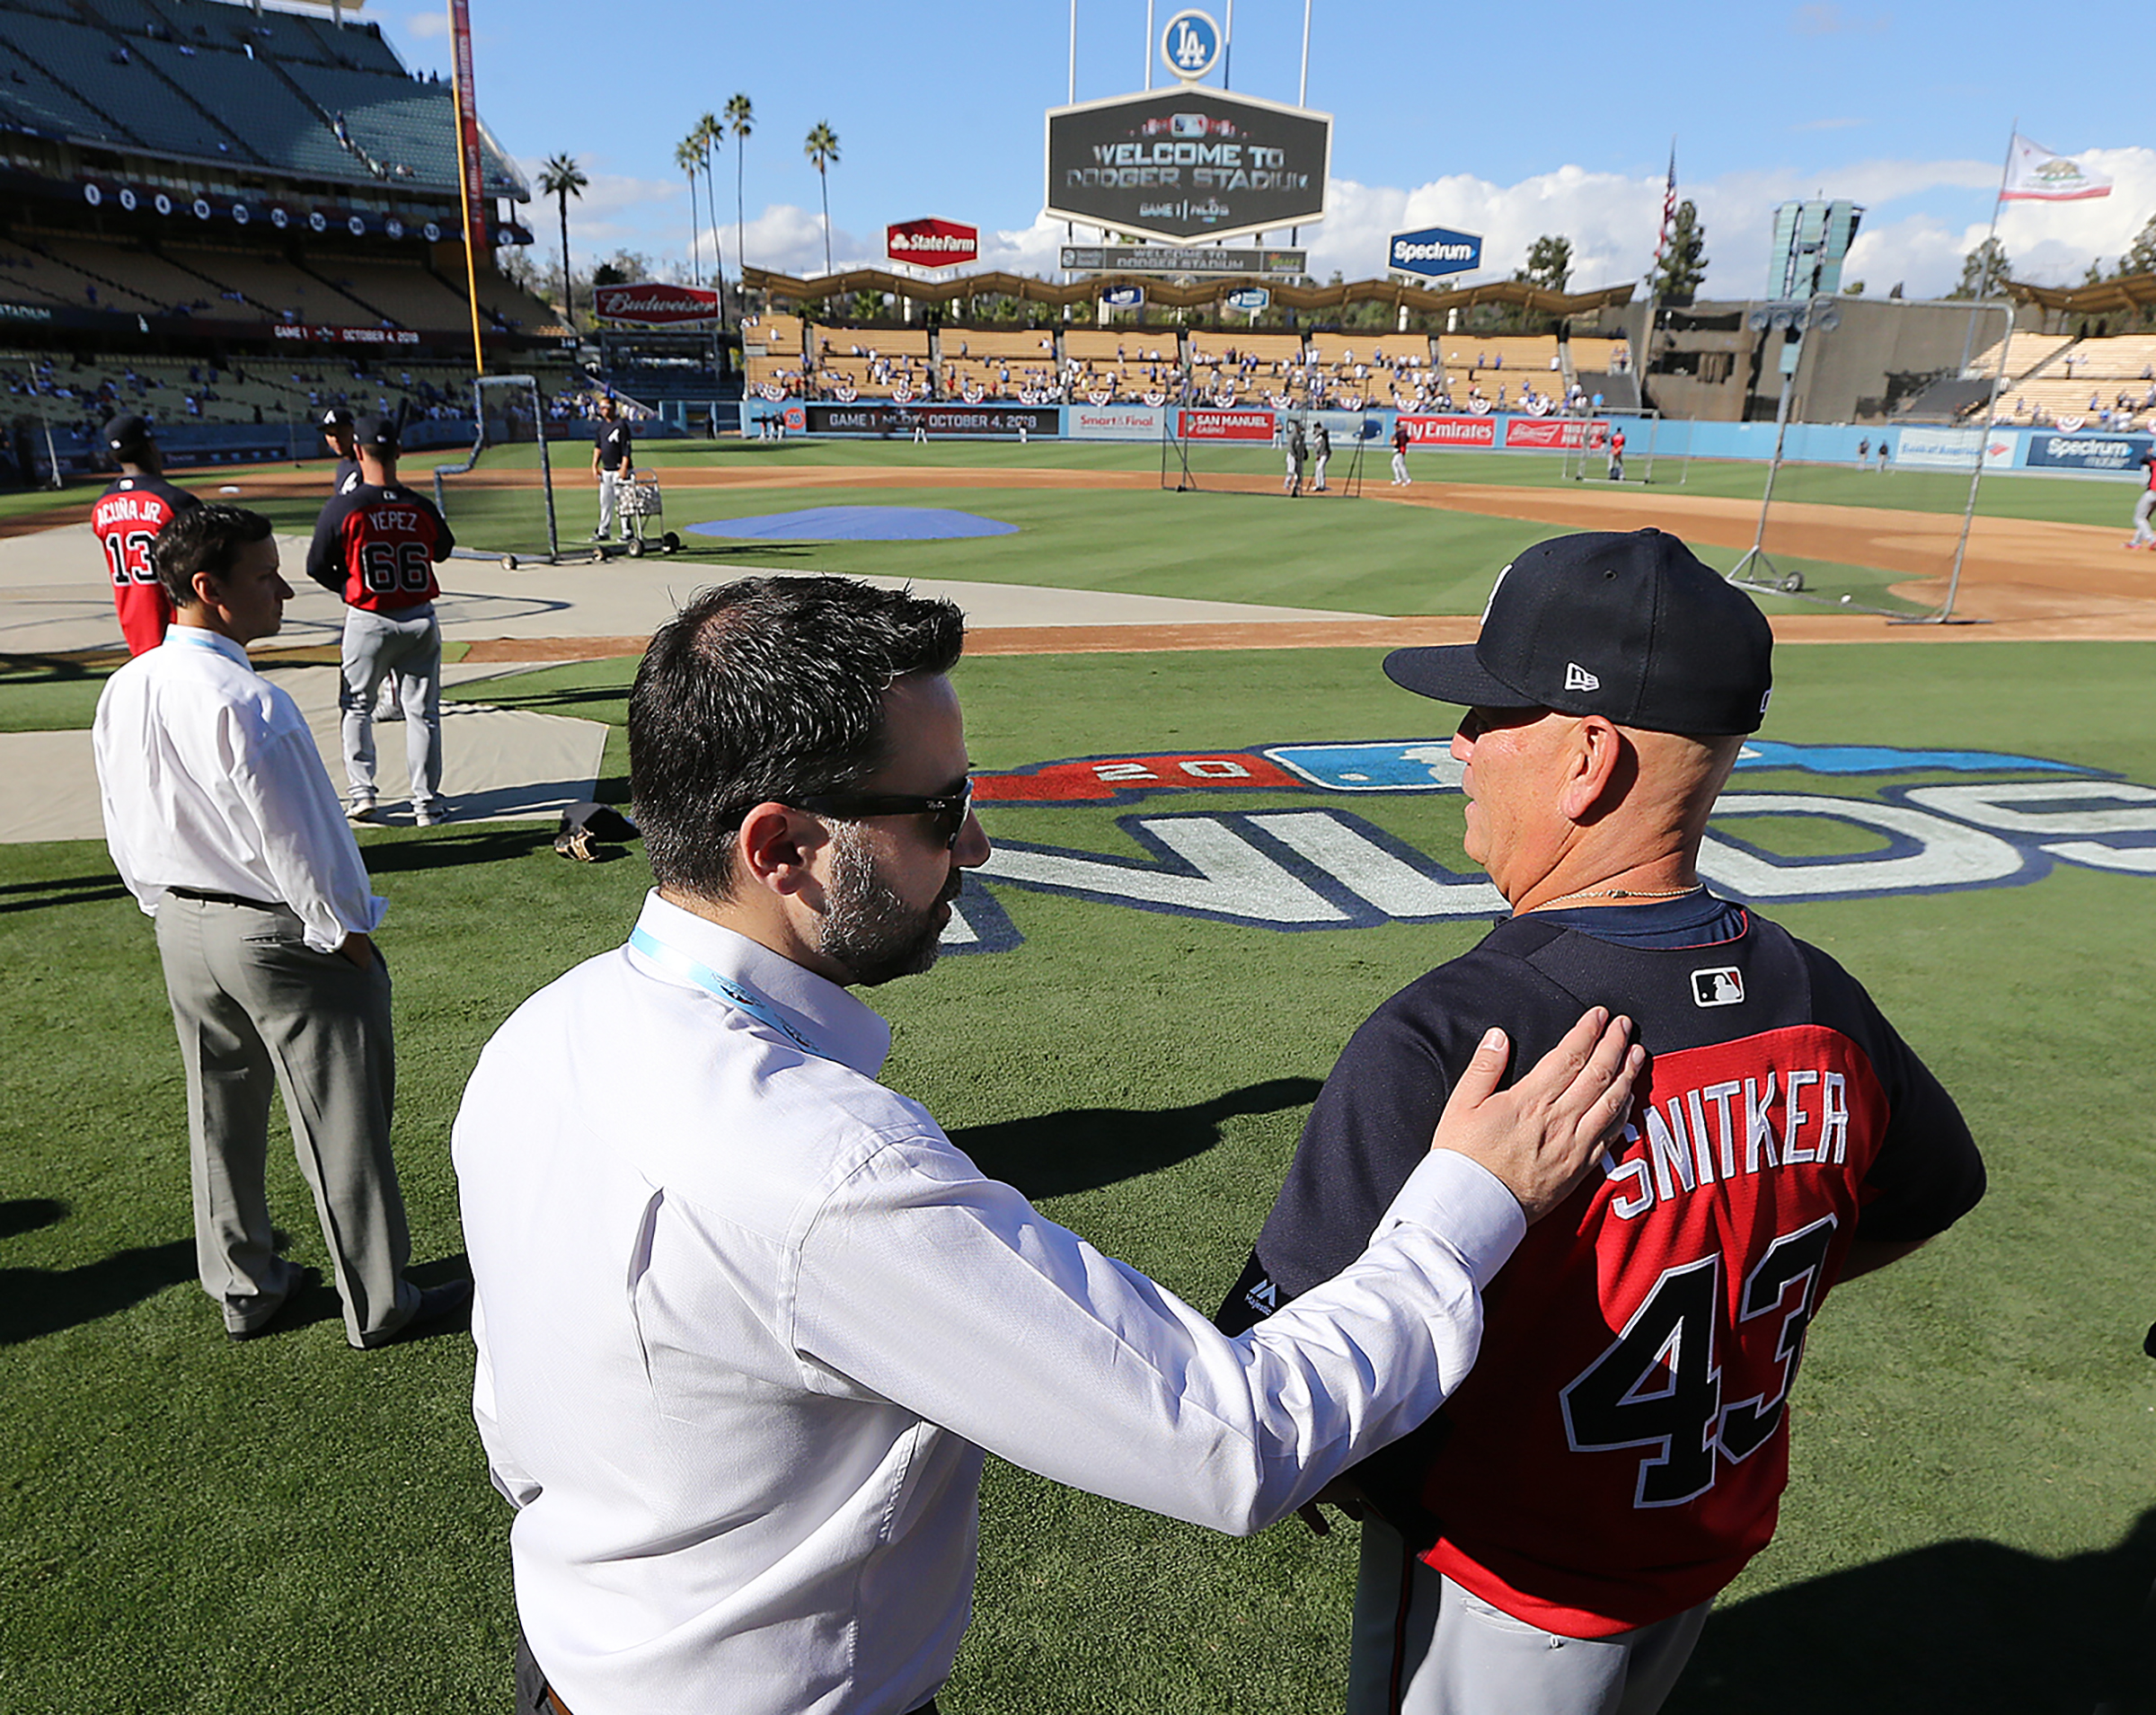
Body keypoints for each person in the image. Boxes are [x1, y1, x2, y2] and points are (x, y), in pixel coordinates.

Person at [453, 574, 1645, 1715]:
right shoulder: (822, 1169)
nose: (970, 849)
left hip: (570, 1664)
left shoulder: (541, 1032)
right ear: (780, 849)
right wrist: (1470, 1198)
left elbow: (517, 1419)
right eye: (941, 812)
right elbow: (1234, 1438)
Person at [1215, 529, 1986, 1715]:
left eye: (1489, 713)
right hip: (1698, 1532)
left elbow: (1280, 1377)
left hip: (1500, 1579)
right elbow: (1934, 1188)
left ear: (1588, 757)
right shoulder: (1821, 998)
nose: (1458, 745)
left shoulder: (1461, 1033)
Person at [91, 504, 470, 1348]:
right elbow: (307, 842)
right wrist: (349, 933)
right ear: (207, 589)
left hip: (182, 923)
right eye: (262, 575)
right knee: (343, 1118)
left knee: (217, 1110)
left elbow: (123, 816)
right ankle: (377, 1299)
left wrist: (161, 904)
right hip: (273, 929)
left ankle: (244, 1284)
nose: (283, 587)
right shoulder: (249, 701)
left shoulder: (128, 685)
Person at [305, 416, 455, 827]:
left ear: (357, 452)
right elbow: (442, 549)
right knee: (422, 714)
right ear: (399, 454)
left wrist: (350, 586)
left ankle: (363, 793)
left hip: (369, 617)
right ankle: (427, 803)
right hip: (419, 620)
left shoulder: (344, 506)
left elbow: (317, 565)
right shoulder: (419, 506)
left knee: (356, 707)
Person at [91, 413, 199, 656]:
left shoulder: (101, 506)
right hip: (181, 626)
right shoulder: (175, 501)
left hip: (134, 625)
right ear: (151, 447)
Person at [590, 395, 631, 542]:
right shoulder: (601, 426)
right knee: (605, 502)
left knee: (623, 502)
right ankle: (603, 531)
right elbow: (598, 447)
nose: (603, 411)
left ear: (613, 408)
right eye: (601, 408)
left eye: (606, 408)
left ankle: (627, 531)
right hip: (606, 470)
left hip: (619, 469)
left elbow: (626, 449)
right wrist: (594, 465)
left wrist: (624, 468)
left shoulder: (621, 425)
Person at [321, 404, 363, 497]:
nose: (336, 439)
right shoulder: (343, 466)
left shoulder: (368, 463)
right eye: (330, 434)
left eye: (341, 432)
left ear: (354, 431)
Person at [2127, 446, 2156, 550]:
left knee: (2139, 517)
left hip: (2153, 493)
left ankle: (2152, 539)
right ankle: (2136, 542)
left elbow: (2144, 459)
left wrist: (2150, 453)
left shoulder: (2154, 462)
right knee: (2145, 517)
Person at [1286, 416, 1308, 496]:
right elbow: (1291, 447)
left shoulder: (1301, 436)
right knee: (1291, 471)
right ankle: (1287, 484)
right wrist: (1294, 455)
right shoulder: (1293, 436)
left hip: (1299, 457)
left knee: (1299, 472)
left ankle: (1296, 485)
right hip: (1292, 456)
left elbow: (1303, 446)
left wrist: (1305, 453)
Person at [1312, 418, 1332, 492]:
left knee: (1320, 468)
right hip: (1319, 454)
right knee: (1317, 469)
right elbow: (1316, 447)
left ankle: (1322, 485)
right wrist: (1316, 455)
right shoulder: (1315, 436)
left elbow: (1325, 431)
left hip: (1325, 453)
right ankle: (1318, 485)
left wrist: (1320, 430)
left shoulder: (1323, 434)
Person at [1392, 417, 1413, 486]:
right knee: (1395, 463)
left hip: (1399, 451)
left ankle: (1407, 479)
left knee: (1400, 465)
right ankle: (1398, 478)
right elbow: (1408, 439)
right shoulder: (1403, 433)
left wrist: (1391, 441)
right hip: (1401, 450)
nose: (1394, 427)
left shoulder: (1399, 433)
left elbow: (1395, 443)